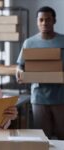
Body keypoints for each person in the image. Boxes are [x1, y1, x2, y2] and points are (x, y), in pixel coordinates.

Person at [16, 6, 64, 140]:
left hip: (61, 98)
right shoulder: (29, 43)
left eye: (48, 19)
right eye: (41, 20)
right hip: (39, 98)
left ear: (54, 21)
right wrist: (19, 73)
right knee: (42, 138)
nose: (44, 23)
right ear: (37, 21)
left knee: (62, 136)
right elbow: (20, 65)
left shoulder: (63, 41)